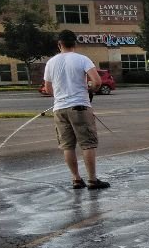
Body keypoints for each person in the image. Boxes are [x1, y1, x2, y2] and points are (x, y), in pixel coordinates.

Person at [42, 30, 111, 190]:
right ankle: (92, 180)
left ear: (59, 44)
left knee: (67, 146)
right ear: (75, 43)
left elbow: (47, 88)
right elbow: (97, 81)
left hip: (59, 109)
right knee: (87, 144)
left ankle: (76, 179)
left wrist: (59, 96)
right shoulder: (82, 59)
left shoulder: (51, 63)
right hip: (80, 106)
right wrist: (90, 89)